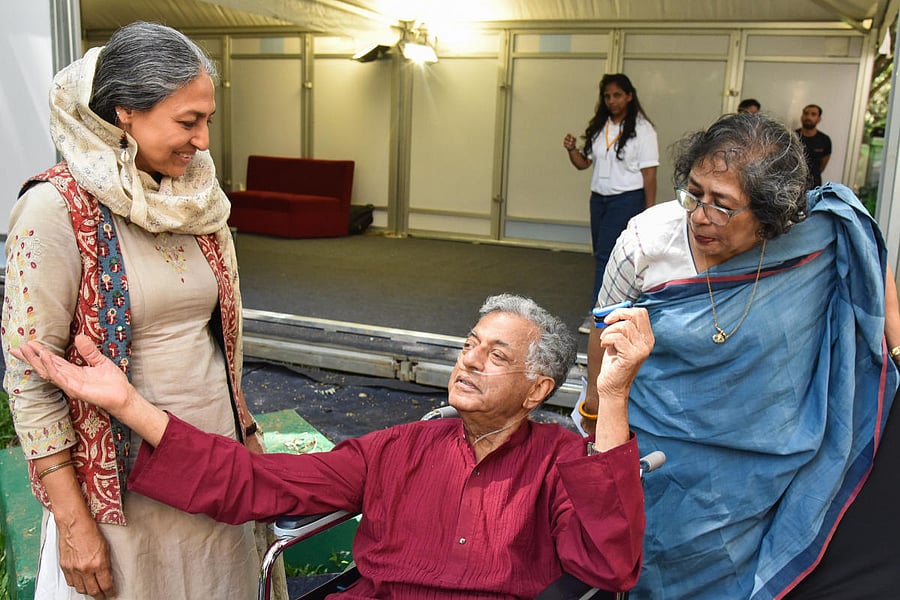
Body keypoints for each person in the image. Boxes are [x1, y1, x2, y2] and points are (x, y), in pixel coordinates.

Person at [10, 293, 654, 599]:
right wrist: (127, 404)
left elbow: (610, 567)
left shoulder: (565, 461)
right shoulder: (400, 447)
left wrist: (614, 395)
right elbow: (259, 484)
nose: (469, 361)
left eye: (496, 355)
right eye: (468, 345)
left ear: (538, 387)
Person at [0, 22, 275, 599]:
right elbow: (30, 378)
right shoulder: (54, 209)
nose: (203, 142)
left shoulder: (199, 201)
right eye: (187, 122)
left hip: (214, 464)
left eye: (207, 121)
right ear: (125, 112)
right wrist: (76, 526)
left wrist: (246, 436)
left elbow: (221, 342)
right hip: (126, 491)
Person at [582, 112, 900, 598]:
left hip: (762, 457)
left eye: (723, 205)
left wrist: (896, 347)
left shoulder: (808, 238)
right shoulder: (646, 241)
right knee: (652, 558)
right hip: (664, 445)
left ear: (770, 215)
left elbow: (871, 263)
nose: (701, 215)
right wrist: (593, 410)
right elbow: (604, 328)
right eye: (694, 193)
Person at [562, 73, 659, 334]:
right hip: (600, 200)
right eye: (607, 96)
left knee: (607, 256)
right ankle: (618, 308)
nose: (612, 101)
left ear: (629, 96)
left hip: (627, 199)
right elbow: (584, 164)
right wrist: (572, 149)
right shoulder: (601, 126)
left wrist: (648, 213)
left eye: (617, 95)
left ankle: (598, 314)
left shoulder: (642, 129)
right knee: (602, 255)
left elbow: (649, 174)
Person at [796, 104, 832, 189]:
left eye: (813, 114)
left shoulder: (824, 140)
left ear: (819, 119)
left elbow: (822, 166)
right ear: (801, 117)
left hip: (814, 185)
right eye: (806, 113)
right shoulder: (792, 137)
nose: (808, 117)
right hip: (794, 184)